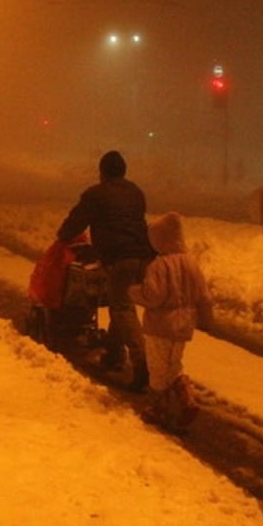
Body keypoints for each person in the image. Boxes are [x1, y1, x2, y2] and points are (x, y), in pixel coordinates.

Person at [56, 150, 154, 392]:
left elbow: (77, 219)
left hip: (119, 257)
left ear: (102, 172)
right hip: (143, 256)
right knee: (120, 302)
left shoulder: (95, 194)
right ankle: (113, 353)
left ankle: (141, 364)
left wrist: (63, 236)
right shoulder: (136, 192)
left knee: (121, 308)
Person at [127, 212, 213, 432]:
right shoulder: (192, 264)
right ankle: (186, 400)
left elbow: (153, 296)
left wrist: (134, 292)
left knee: (157, 367)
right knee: (174, 364)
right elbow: (203, 295)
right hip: (184, 326)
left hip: (160, 326)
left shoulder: (159, 266)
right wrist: (205, 319)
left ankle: (159, 408)